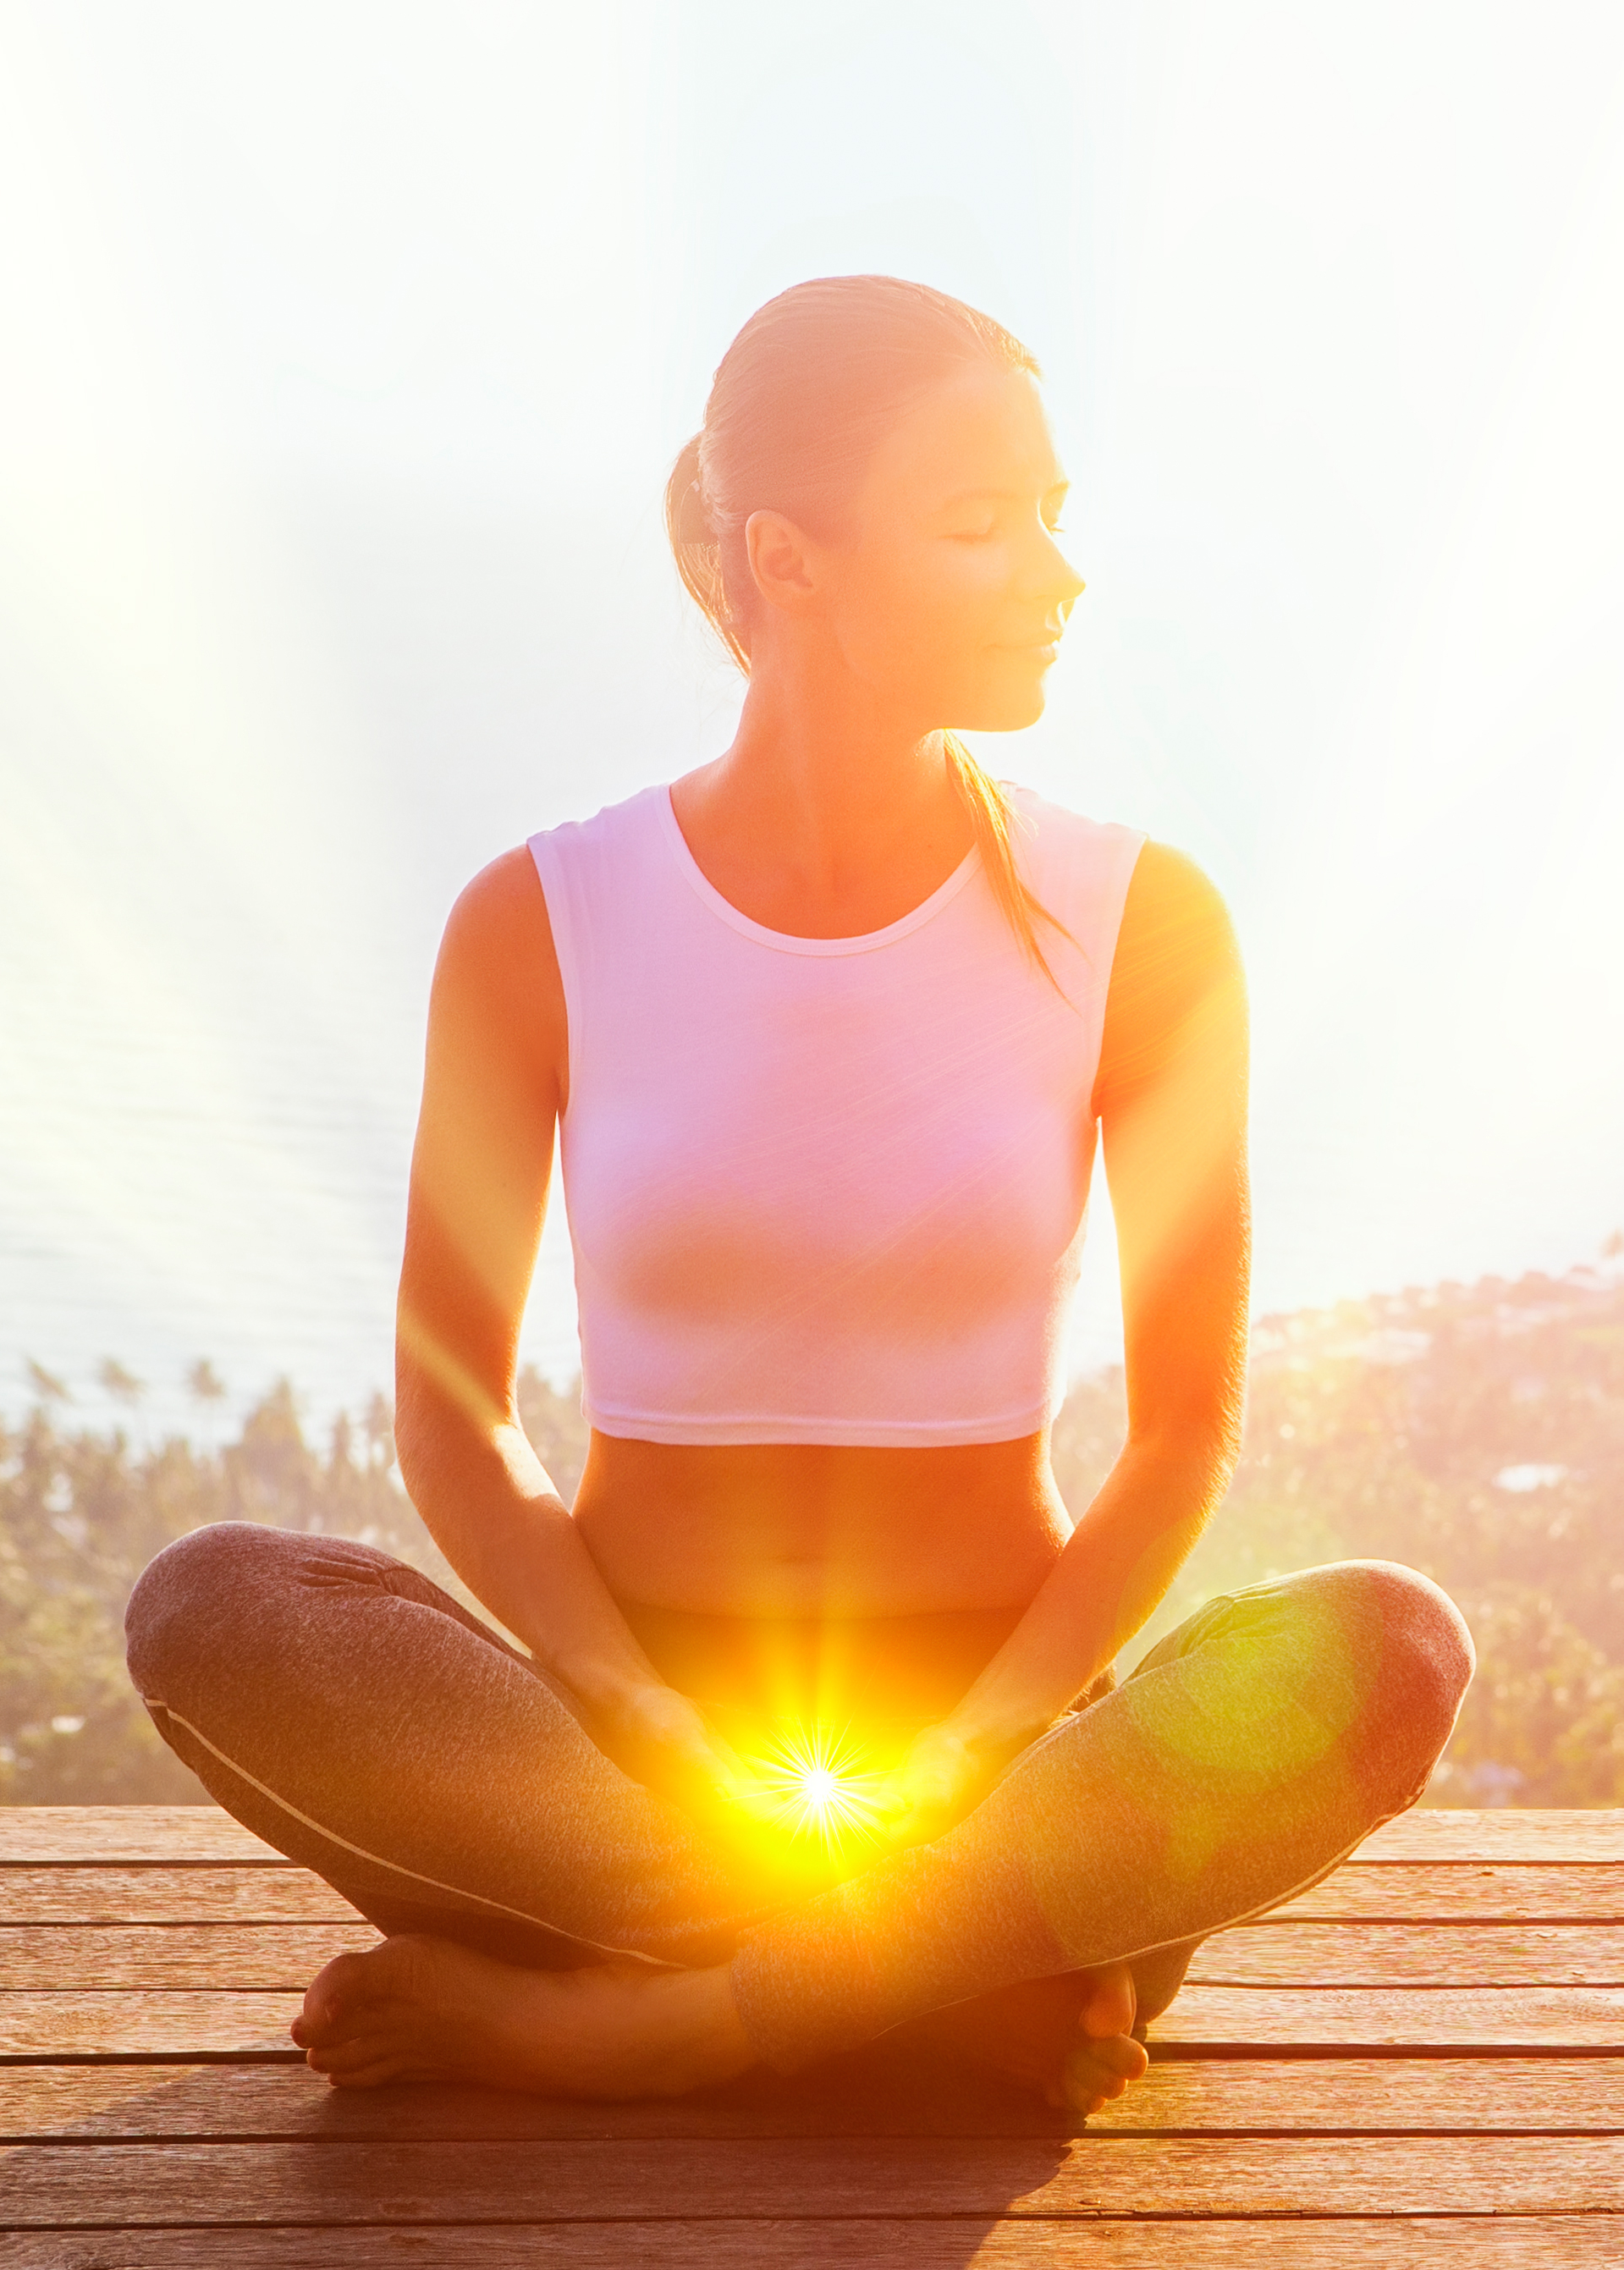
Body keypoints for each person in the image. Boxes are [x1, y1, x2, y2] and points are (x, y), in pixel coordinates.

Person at [120, 276, 1473, 2114]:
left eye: (1055, 515)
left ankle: (667, 2018)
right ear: (793, 561)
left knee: (1385, 1650)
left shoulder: (1143, 926)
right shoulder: (543, 923)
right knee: (216, 1607)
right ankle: (943, 1991)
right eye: (984, 525)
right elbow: (448, 1402)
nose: (1058, 573)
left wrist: (989, 1747)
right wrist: (633, 1711)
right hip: (632, 1769)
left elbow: (1181, 1435)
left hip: (997, 1768)